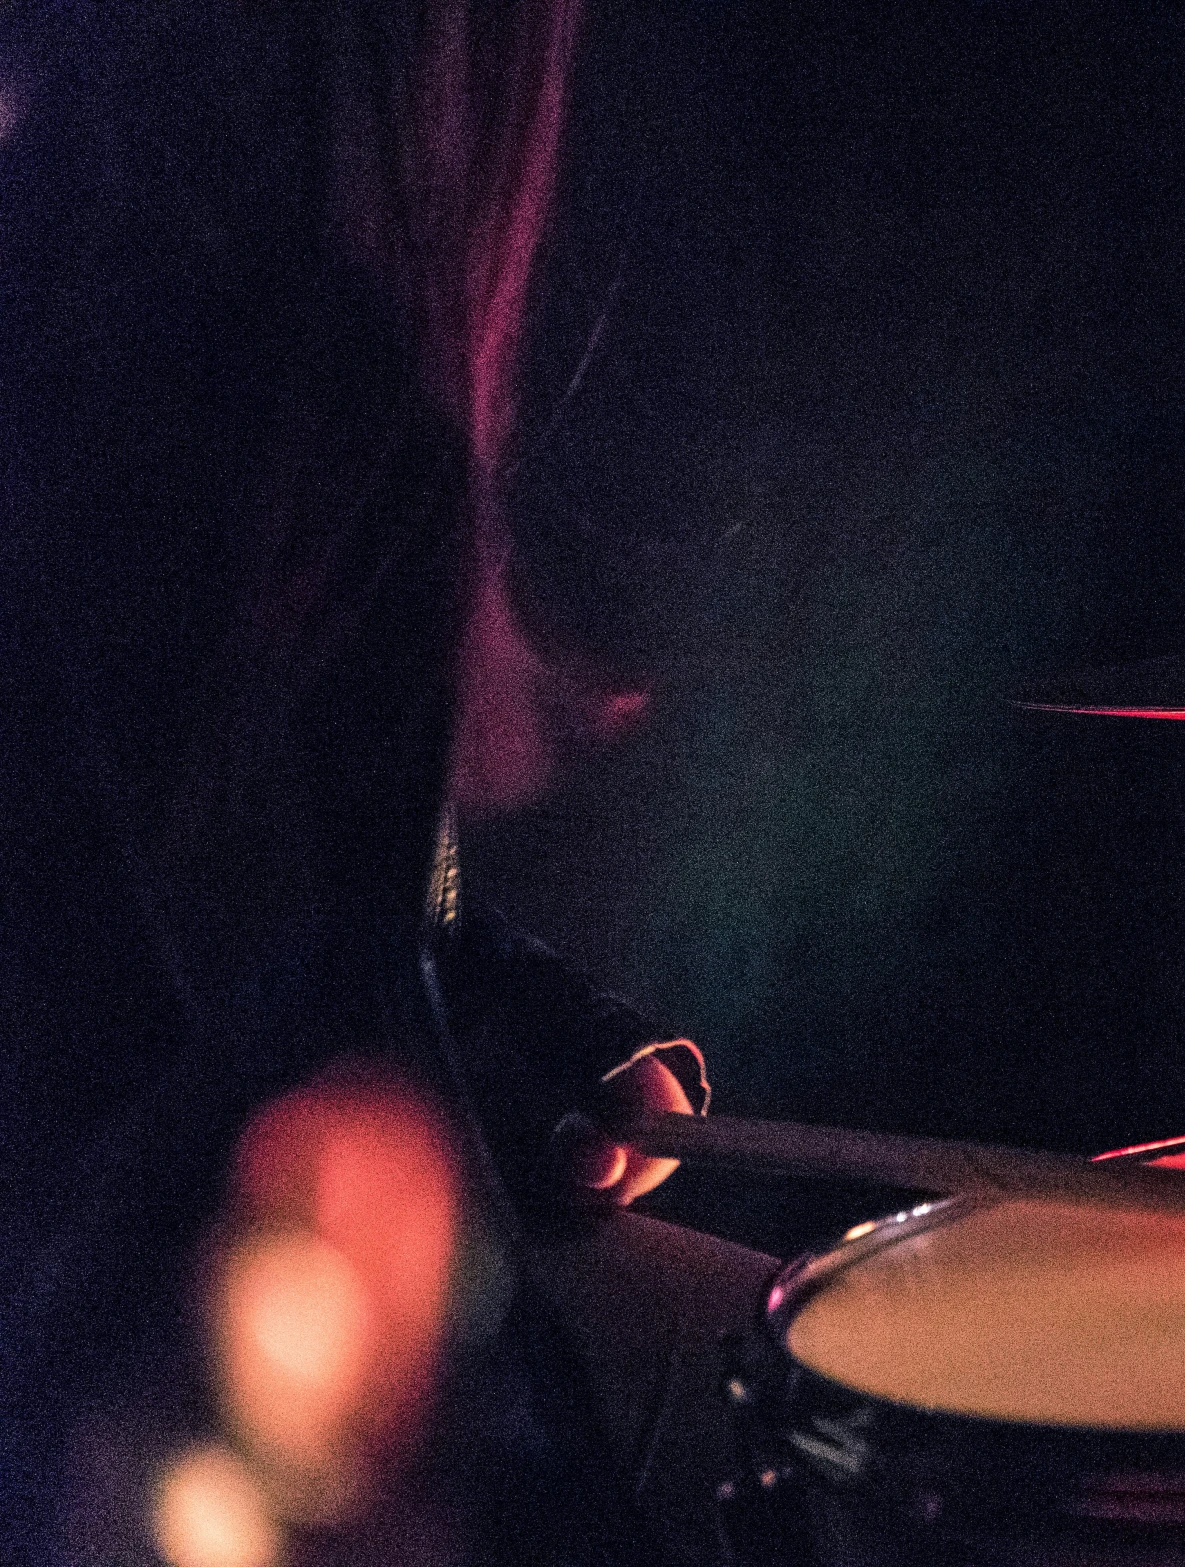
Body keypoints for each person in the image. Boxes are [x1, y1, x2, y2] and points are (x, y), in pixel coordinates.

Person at [0, 2, 734, 1559]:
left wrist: (575, 1054)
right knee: (812, 1409)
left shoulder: (218, 335)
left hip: (221, 1263)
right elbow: (221, 1058)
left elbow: (344, 942)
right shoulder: (233, 382)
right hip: (134, 1346)